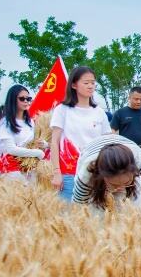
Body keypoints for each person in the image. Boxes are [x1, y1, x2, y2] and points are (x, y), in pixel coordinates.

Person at [50, 66, 112, 201]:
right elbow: (54, 142)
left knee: (94, 217)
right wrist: (56, 173)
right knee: (68, 217)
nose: (91, 86)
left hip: (96, 173)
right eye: (86, 83)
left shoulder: (99, 112)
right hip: (69, 173)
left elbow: (107, 143)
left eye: (93, 82)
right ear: (73, 85)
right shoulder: (62, 110)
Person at [72, 135, 141, 211]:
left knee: (135, 213)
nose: (120, 188)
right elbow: (78, 206)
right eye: (114, 184)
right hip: (92, 160)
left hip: (128, 159)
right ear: (102, 176)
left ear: (135, 171)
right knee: (97, 216)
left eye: (126, 183)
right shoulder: (87, 174)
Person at [0, 85, 45, 184]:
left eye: (28, 98)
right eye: (22, 98)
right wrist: (37, 153)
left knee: (33, 197)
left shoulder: (30, 122)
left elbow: (33, 142)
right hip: (12, 169)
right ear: (12, 100)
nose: (26, 101)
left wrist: (43, 144)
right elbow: (11, 149)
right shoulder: (5, 123)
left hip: (30, 167)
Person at [111, 87, 141, 159]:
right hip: (126, 153)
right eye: (136, 99)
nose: (139, 102)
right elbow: (113, 130)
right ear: (129, 98)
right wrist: (115, 146)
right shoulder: (120, 113)